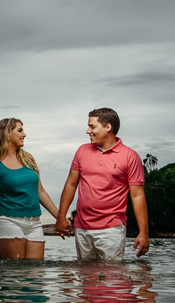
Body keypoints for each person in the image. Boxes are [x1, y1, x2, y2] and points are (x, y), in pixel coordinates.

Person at [54, 108, 149, 261]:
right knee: (85, 274)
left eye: (92, 126)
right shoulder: (82, 151)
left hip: (111, 229)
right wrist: (61, 217)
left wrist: (143, 233)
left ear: (108, 127)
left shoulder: (130, 156)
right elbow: (71, 184)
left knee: (111, 274)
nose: (88, 131)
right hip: (82, 227)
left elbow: (137, 196)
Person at [0, 118, 64, 259]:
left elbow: (40, 191)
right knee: (15, 270)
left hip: (34, 222)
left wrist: (60, 218)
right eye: (20, 130)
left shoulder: (28, 159)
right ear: (7, 134)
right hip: (7, 221)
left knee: (36, 271)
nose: (24, 134)